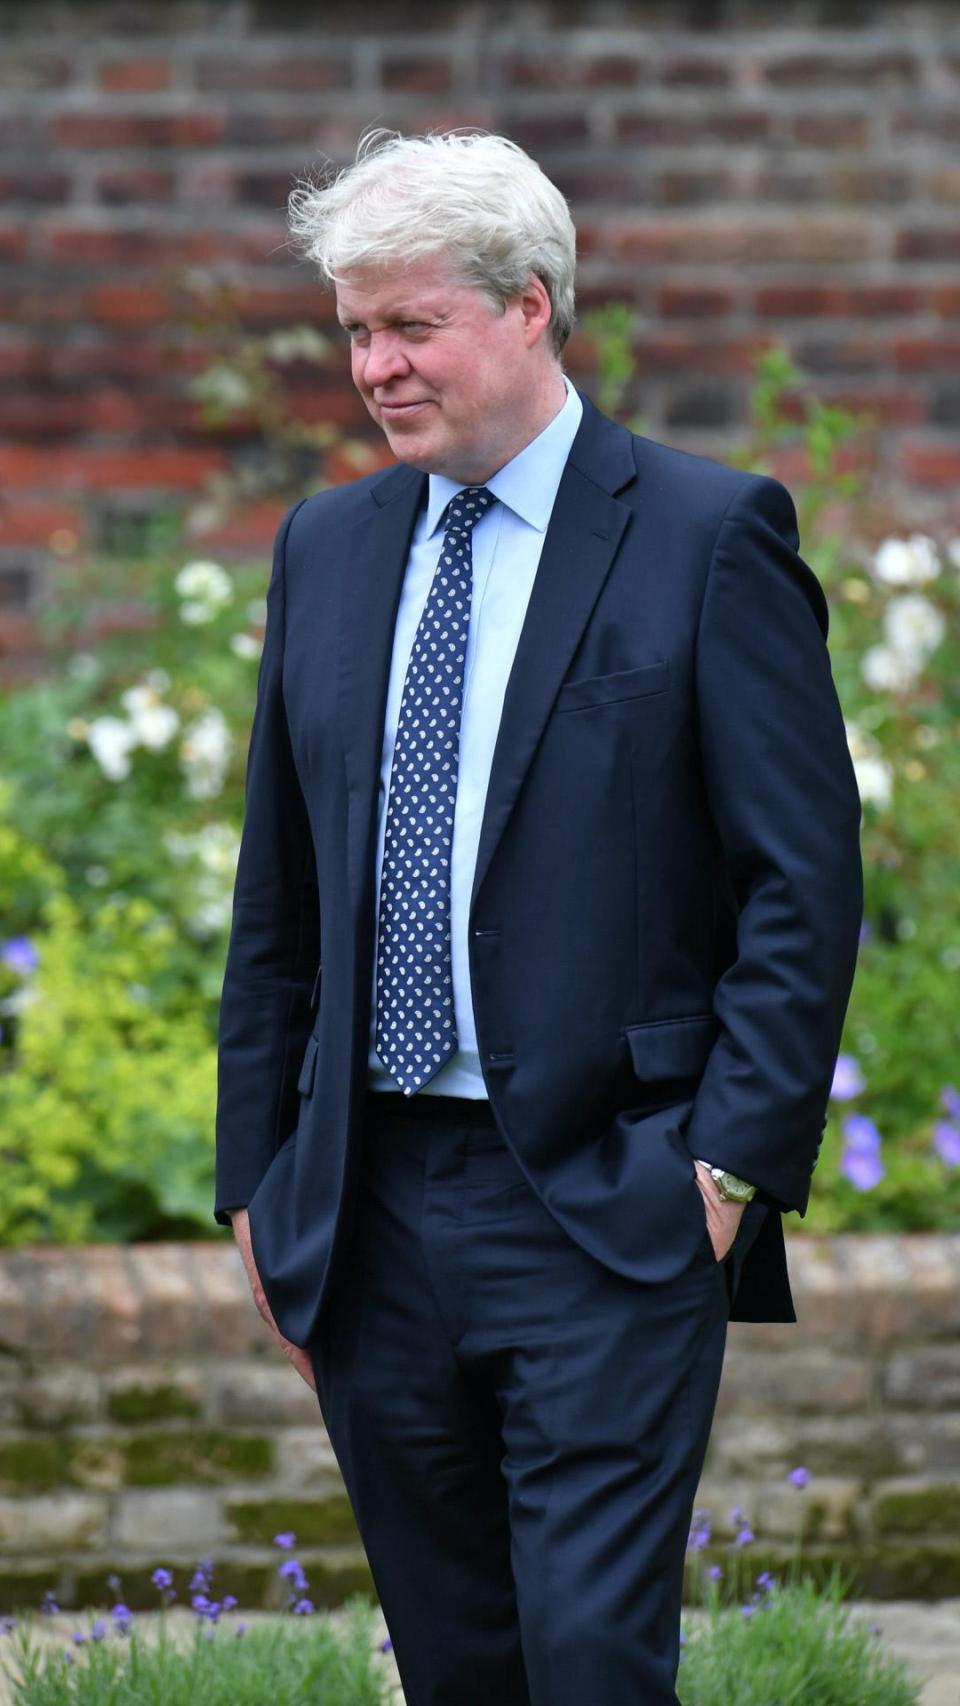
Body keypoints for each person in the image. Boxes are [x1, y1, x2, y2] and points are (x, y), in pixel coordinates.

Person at [215, 129, 863, 1706]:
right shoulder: (330, 547)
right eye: (356, 329)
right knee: (458, 1666)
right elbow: (276, 897)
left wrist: (725, 1169)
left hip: (608, 1201)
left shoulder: (709, 537)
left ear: (529, 305)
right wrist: (258, 1186)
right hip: (368, 1212)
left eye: (409, 324)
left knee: (589, 1661)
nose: (373, 365)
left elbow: (805, 879)